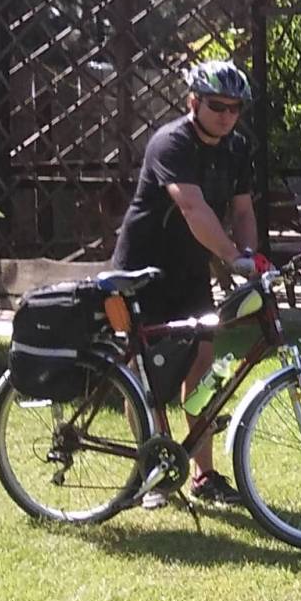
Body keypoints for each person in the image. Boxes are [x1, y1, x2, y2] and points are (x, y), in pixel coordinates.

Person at [111, 59, 261, 508]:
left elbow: (242, 210)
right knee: (147, 379)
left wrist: (249, 256)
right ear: (193, 101)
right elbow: (193, 208)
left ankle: (203, 474)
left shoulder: (237, 147)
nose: (227, 116)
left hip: (191, 269)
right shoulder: (170, 143)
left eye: (235, 108)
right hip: (142, 272)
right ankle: (154, 472)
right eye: (217, 106)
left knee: (203, 366)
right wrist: (231, 256)